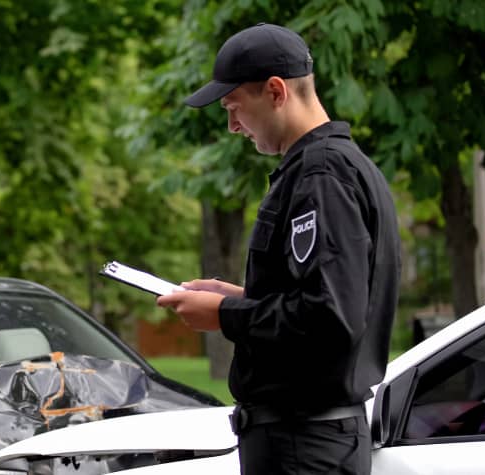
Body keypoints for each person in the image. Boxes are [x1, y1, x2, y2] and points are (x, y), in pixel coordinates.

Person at [158, 23, 400, 475]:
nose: (232, 126)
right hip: (309, 443)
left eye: (234, 107)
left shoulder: (322, 175)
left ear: (274, 91)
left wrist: (225, 316)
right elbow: (322, 298)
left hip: (304, 446)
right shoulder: (333, 167)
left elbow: (330, 318)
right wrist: (241, 298)